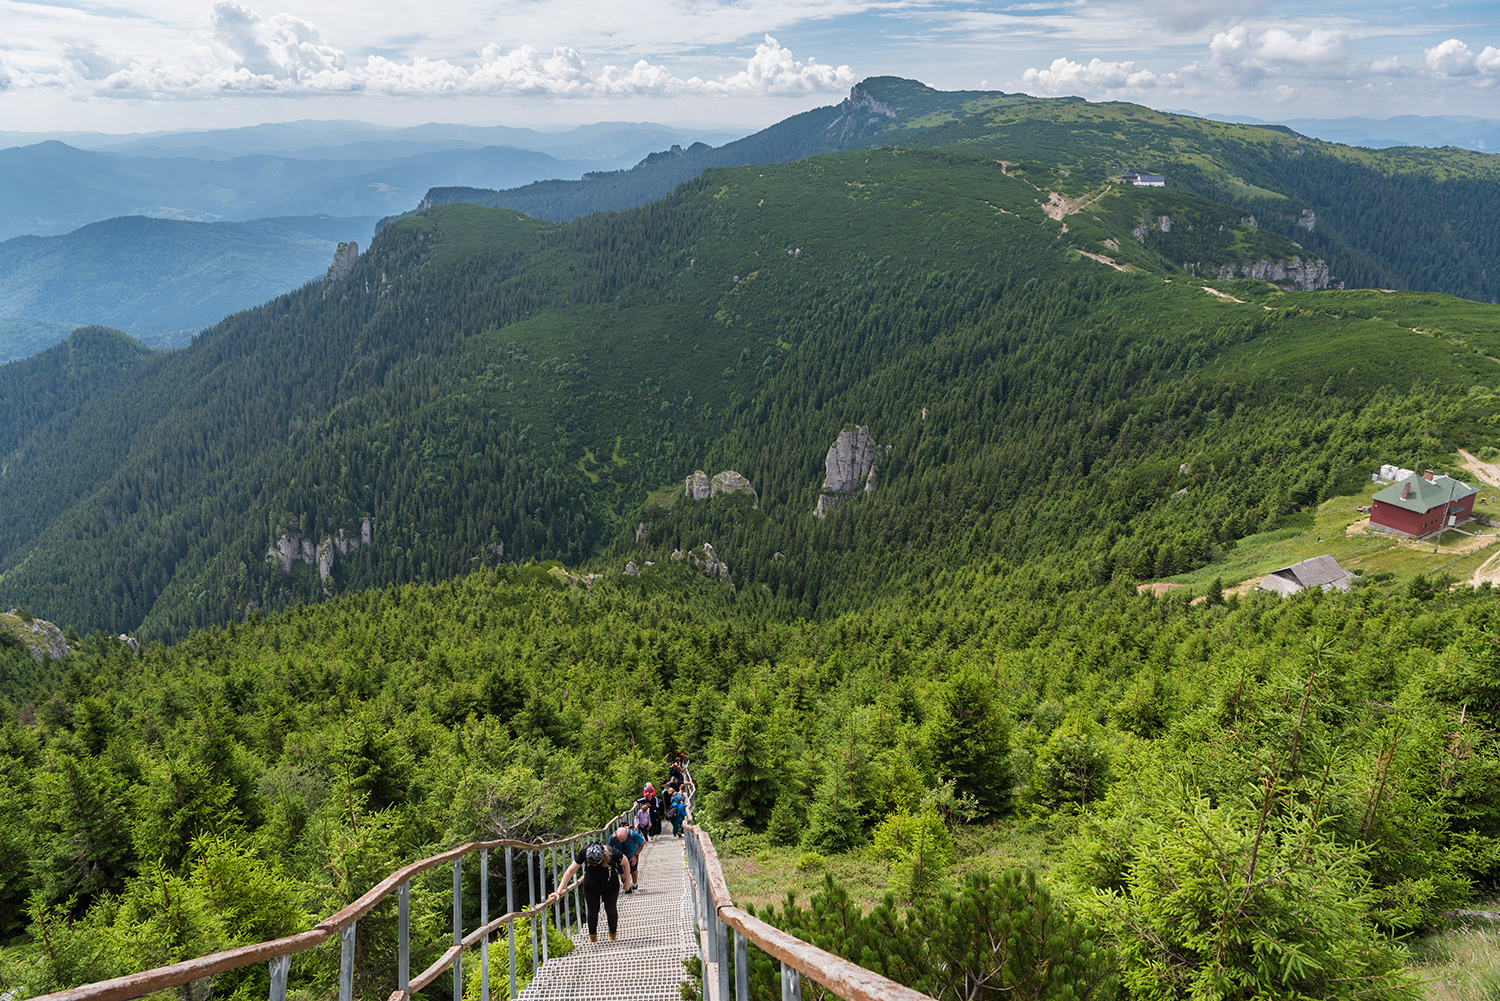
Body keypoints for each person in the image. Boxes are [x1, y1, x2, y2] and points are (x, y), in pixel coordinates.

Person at [551, 840, 631, 943]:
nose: (593, 865)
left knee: (611, 910)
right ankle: (593, 937)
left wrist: (627, 882)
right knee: (593, 912)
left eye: (595, 863)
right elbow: (570, 871)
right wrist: (558, 891)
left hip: (610, 885)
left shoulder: (612, 853)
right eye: (590, 864)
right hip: (591, 886)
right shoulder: (585, 851)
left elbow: (626, 863)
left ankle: (613, 935)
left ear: (602, 857)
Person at [611, 823, 646, 890]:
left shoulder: (633, 835)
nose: (621, 841)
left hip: (632, 855)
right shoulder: (613, 837)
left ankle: (634, 884)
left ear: (626, 835)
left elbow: (642, 842)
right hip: (620, 856)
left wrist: (635, 855)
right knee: (623, 876)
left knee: (634, 871)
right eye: (619, 839)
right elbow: (609, 848)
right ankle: (627, 887)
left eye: (623, 839)